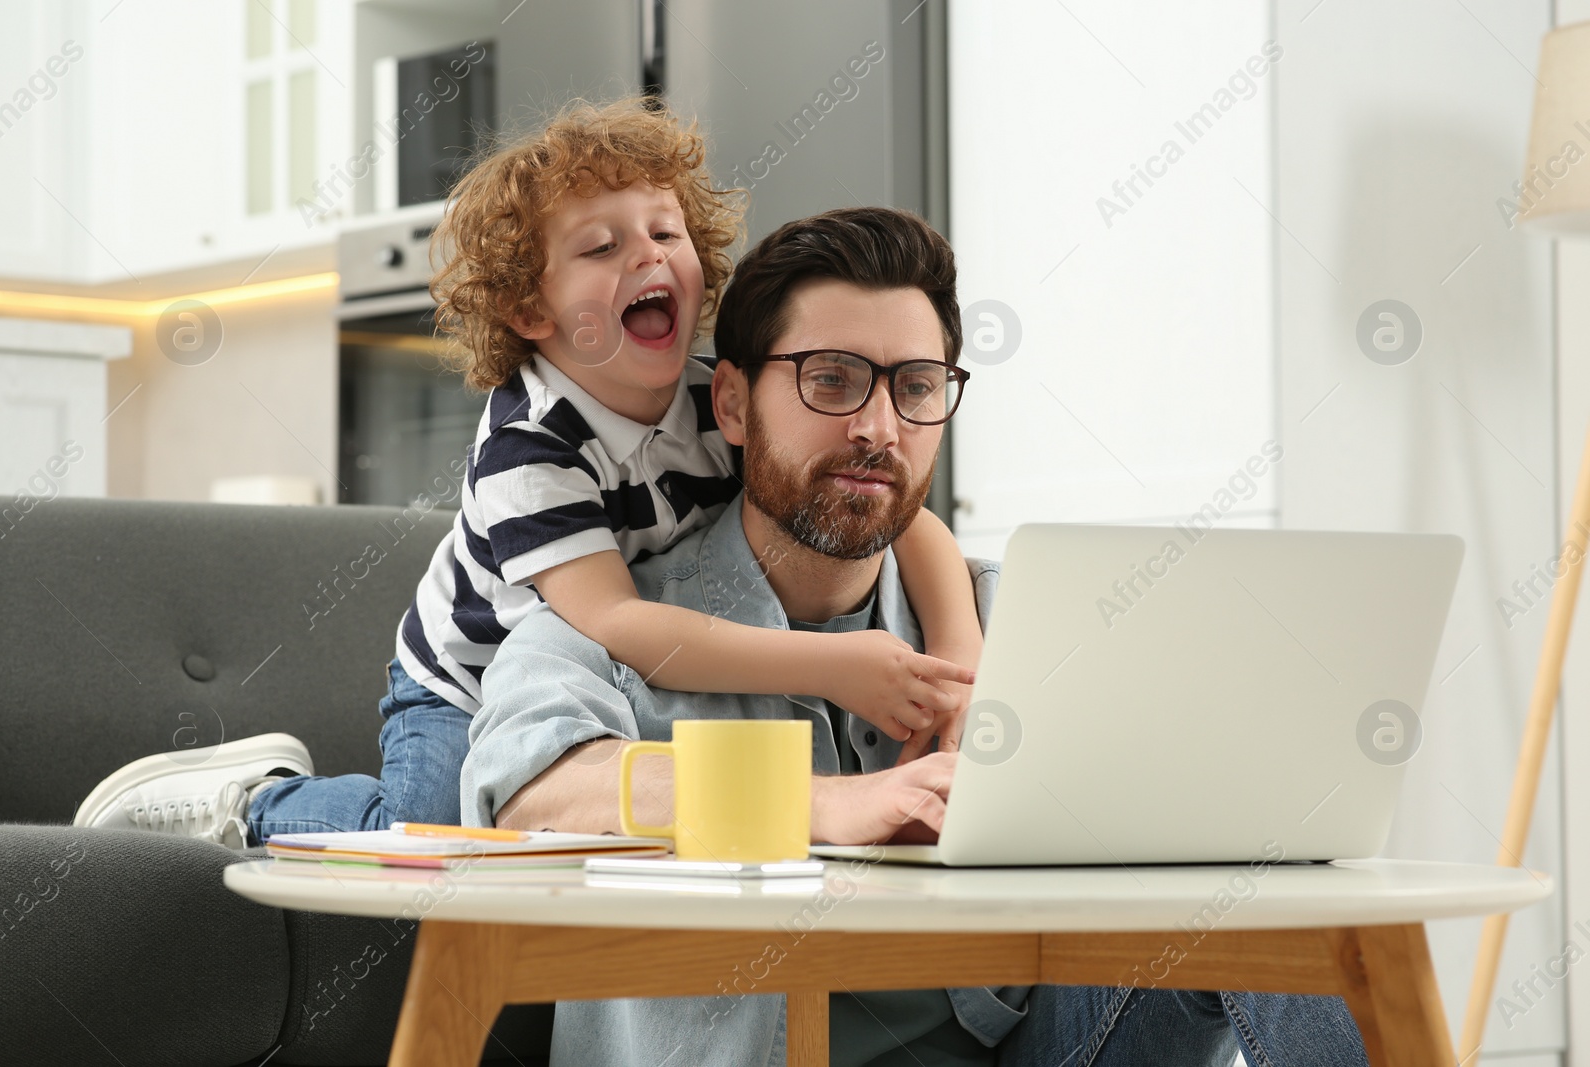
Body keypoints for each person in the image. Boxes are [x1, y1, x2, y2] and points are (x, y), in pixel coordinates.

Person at [463, 205, 1371, 1067]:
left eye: (917, 387)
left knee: (1262, 875)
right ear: (732, 406)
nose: (877, 428)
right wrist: (819, 808)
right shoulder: (611, 617)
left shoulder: (1004, 617)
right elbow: (531, 788)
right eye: (831, 379)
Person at [72, 97, 982, 847]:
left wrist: (966, 675)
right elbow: (618, 619)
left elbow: (916, 524)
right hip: (466, 677)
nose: (649, 255)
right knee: (437, 836)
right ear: (527, 308)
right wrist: (830, 665)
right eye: (600, 247)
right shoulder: (527, 448)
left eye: (666, 231)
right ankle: (251, 801)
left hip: (596, 662)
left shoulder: (723, 397)